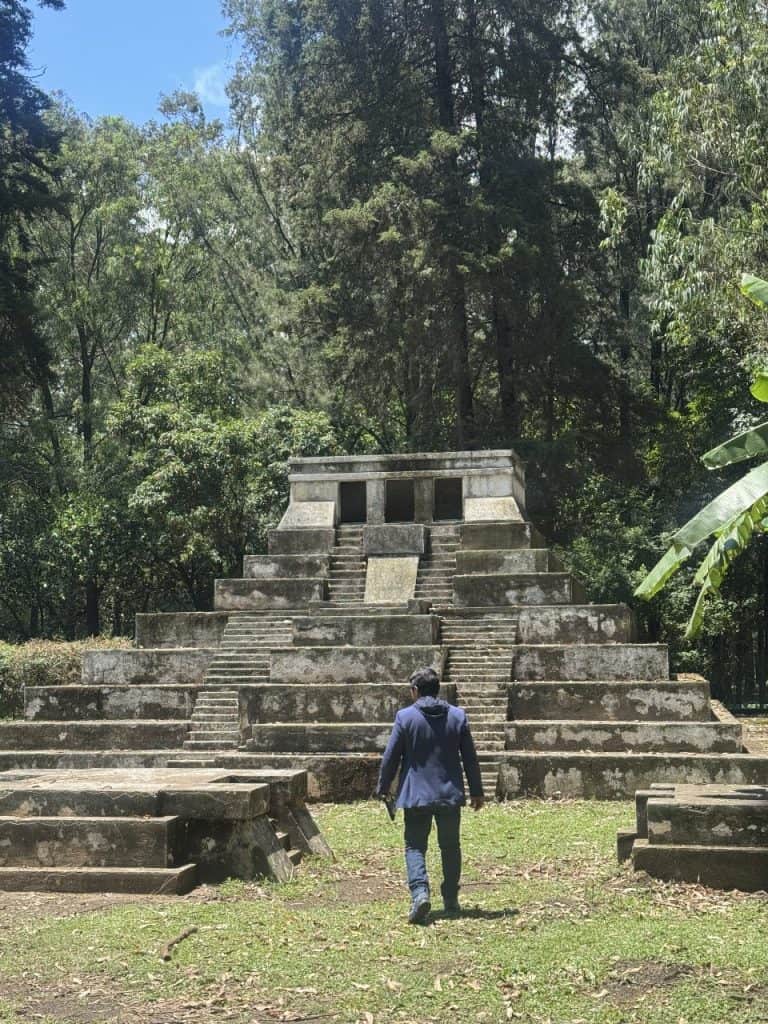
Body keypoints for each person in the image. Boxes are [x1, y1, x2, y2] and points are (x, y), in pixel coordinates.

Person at [375, 665, 484, 924]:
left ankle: (420, 893)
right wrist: (477, 791)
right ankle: (450, 897)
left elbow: (390, 758)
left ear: (415, 691)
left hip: (416, 796)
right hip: (449, 794)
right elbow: (470, 757)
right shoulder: (458, 716)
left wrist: (383, 787)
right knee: (450, 846)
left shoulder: (405, 717)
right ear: (438, 690)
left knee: (415, 846)